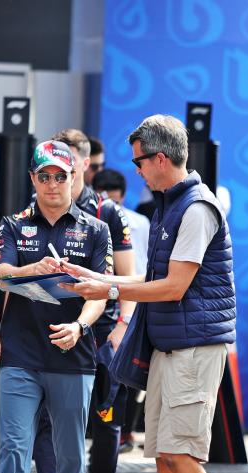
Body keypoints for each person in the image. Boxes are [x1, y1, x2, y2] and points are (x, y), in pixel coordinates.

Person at [60, 114, 241, 473]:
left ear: (161, 159)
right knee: (165, 456)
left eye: (140, 161)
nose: (135, 169)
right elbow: (154, 281)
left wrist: (110, 285)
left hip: (194, 349)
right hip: (171, 346)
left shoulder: (196, 208)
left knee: (180, 454)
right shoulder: (170, 205)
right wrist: (106, 283)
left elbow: (175, 286)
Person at [0, 140, 111, 473]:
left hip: (73, 353)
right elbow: (2, 275)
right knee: (13, 445)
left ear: (75, 178)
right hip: (21, 352)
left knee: (70, 451)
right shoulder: (12, 225)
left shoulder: (95, 230)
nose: (52, 184)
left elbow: (101, 293)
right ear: (33, 179)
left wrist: (80, 327)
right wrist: (30, 271)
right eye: (44, 176)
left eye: (60, 176)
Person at [22, 130, 135, 473]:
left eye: (64, 168)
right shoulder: (35, 210)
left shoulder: (108, 214)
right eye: (46, 172)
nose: (54, 180)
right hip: (49, 329)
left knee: (105, 416)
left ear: (83, 165)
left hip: (102, 333)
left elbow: (128, 279)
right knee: (46, 418)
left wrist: (122, 326)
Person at [92, 168, 150, 453]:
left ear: (123, 196)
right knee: (109, 377)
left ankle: (124, 431)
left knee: (131, 372)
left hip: (133, 299)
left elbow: (148, 262)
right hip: (111, 299)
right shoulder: (91, 217)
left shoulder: (138, 221)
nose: (107, 201)